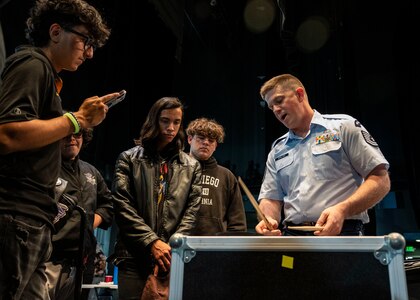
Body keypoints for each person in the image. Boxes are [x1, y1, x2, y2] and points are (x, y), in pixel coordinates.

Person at [0, 0, 119, 298]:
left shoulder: (48, 76)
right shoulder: (32, 63)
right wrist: (77, 120)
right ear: (56, 32)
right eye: (85, 40)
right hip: (16, 217)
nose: (89, 52)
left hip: (33, 222)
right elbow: (6, 134)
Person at [255, 74, 391, 236]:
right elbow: (271, 197)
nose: (276, 110)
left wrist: (343, 209)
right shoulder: (277, 149)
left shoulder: (343, 127)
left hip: (342, 233)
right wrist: (268, 219)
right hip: (292, 237)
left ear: (299, 94)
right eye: (271, 107)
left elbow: (381, 180)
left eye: (279, 101)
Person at [109, 97, 202, 299]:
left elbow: (192, 211)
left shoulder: (191, 165)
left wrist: (170, 246)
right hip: (133, 257)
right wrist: (152, 242)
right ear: (154, 121)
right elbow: (122, 206)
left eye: (176, 122)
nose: (171, 128)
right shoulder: (129, 158)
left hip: (171, 258)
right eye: (165, 121)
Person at [45, 127, 114, 300]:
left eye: (77, 135)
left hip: (83, 260)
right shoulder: (44, 169)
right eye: (66, 135)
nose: (72, 139)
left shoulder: (90, 171)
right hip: (49, 259)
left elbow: (108, 205)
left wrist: (88, 223)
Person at [186, 117, 247, 235]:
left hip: (216, 245)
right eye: (201, 138)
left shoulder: (226, 176)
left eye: (211, 140)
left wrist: (233, 248)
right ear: (189, 139)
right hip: (180, 241)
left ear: (215, 146)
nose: (206, 142)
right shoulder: (176, 170)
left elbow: (237, 220)